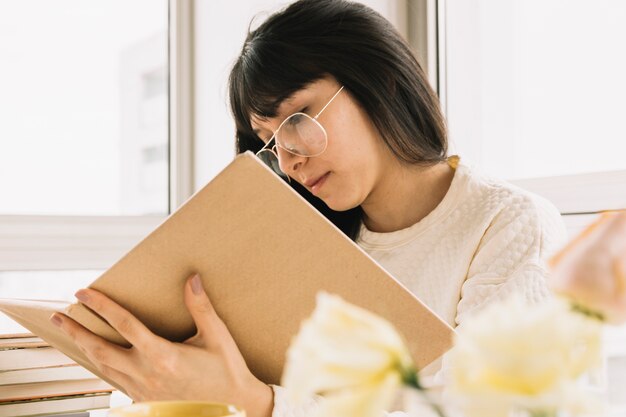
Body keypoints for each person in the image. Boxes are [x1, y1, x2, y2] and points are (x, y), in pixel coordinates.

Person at [50, 1, 567, 416]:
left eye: (297, 117)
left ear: (378, 80)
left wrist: (258, 400)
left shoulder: (509, 223)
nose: (290, 158)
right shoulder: (310, 245)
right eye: (269, 142)